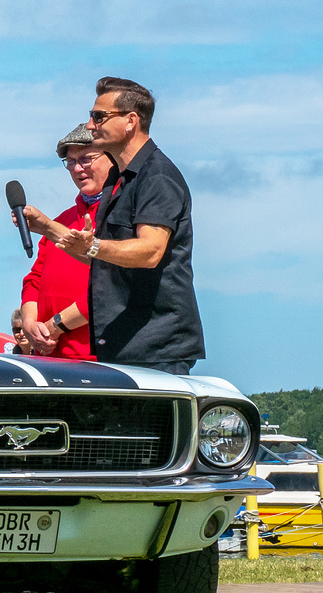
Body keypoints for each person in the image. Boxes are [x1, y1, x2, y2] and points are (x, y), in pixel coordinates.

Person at [25, 78, 204, 374]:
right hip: (121, 347)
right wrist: (47, 227)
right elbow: (100, 260)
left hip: (154, 351)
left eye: (98, 116)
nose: (91, 125)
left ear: (131, 121)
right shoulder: (119, 182)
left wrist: (92, 246)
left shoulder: (157, 177)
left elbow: (150, 251)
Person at [18, 126, 112, 358]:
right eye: (71, 162)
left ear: (112, 158)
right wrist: (30, 325)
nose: (78, 168)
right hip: (49, 358)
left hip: (95, 359)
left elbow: (114, 285)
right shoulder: (62, 220)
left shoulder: (119, 217)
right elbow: (34, 281)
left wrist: (55, 327)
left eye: (86, 159)